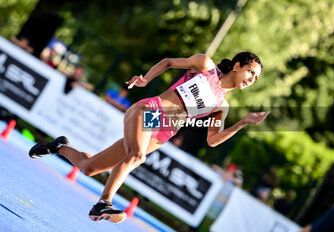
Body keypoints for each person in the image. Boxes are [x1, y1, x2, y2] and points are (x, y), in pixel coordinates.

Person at [28, 52, 269, 224]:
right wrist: (146, 79)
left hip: (163, 132)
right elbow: (168, 62)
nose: (252, 79)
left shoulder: (222, 106)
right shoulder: (205, 65)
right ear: (237, 65)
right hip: (151, 110)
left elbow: (213, 140)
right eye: (251, 72)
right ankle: (104, 203)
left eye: (256, 78)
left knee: (90, 168)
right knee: (137, 155)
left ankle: (59, 146)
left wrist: (241, 123)